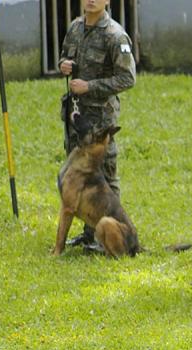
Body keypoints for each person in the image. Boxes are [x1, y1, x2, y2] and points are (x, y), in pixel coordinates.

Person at [58, 0, 136, 250]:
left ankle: (114, 238)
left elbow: (127, 78)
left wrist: (90, 86)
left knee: (105, 178)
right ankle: (89, 233)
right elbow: (65, 57)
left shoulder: (115, 34)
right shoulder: (75, 27)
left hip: (101, 120)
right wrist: (64, 65)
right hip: (77, 116)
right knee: (78, 178)